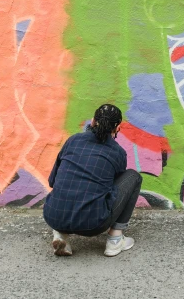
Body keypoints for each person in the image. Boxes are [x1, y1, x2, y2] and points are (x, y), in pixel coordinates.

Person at [43, 104, 143, 257]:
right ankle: (115, 240)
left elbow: (52, 181)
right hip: (93, 225)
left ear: (93, 120)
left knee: (69, 190)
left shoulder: (73, 140)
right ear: (117, 128)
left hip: (53, 215)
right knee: (133, 177)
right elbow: (113, 191)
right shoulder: (117, 152)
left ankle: (61, 234)